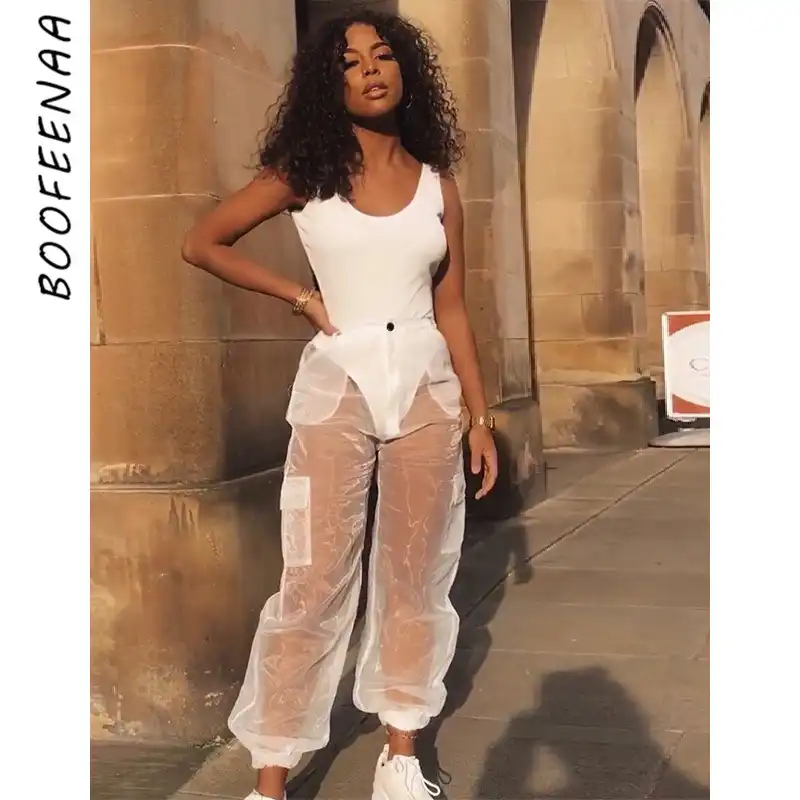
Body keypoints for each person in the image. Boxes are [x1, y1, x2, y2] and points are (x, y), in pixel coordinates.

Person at [181, 9, 498, 800]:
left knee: (416, 575)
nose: (370, 70)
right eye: (350, 63)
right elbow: (202, 242)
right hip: (338, 388)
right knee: (314, 579)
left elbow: (452, 306)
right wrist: (300, 296)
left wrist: (481, 416)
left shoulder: (439, 187)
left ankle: (400, 757)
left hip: (426, 390)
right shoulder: (306, 174)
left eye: (382, 55)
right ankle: (271, 780)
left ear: (406, 72)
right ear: (331, 85)